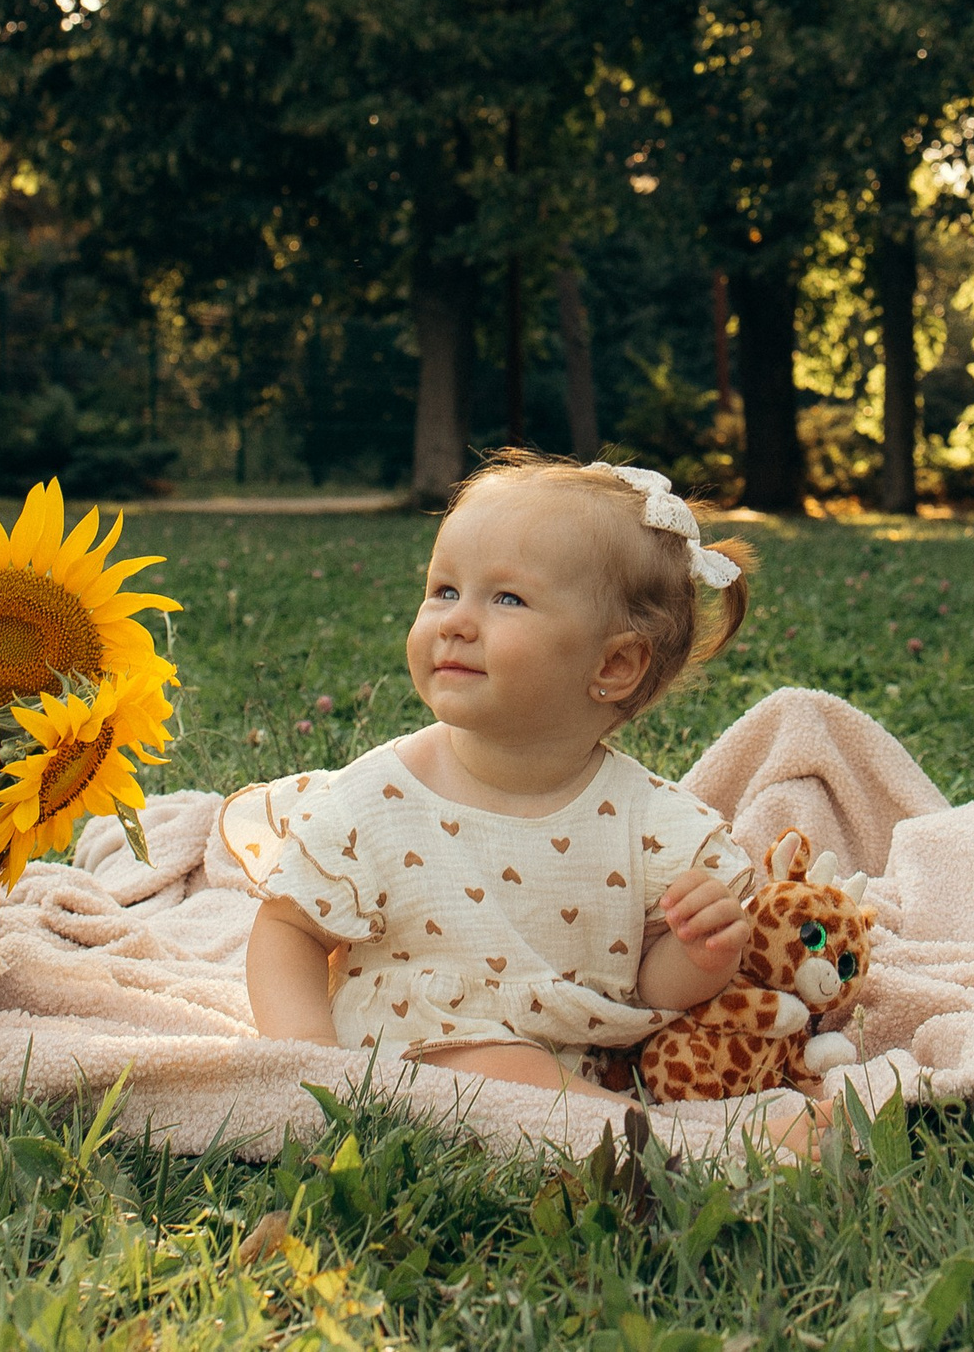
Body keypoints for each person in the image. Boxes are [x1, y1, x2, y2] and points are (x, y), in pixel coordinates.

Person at [227, 452, 834, 1152]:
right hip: (421, 1046)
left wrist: (705, 951)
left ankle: (643, 1128)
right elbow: (288, 929)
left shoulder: (645, 820)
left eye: (505, 598)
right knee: (497, 1072)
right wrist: (311, 1061)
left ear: (613, 665)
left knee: (616, 1066)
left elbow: (655, 989)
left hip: (582, 1054)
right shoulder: (381, 796)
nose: (456, 621)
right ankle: (693, 1148)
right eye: (444, 588)